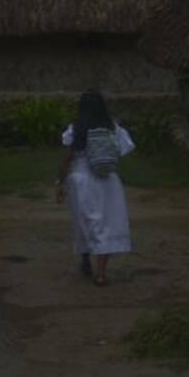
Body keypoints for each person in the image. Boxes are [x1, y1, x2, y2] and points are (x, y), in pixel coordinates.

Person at [55, 91, 134, 286]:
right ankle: (101, 273)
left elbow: (68, 158)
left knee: (85, 223)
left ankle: (85, 258)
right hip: (108, 180)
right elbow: (123, 151)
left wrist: (60, 182)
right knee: (106, 225)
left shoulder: (77, 129)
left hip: (80, 182)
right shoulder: (113, 128)